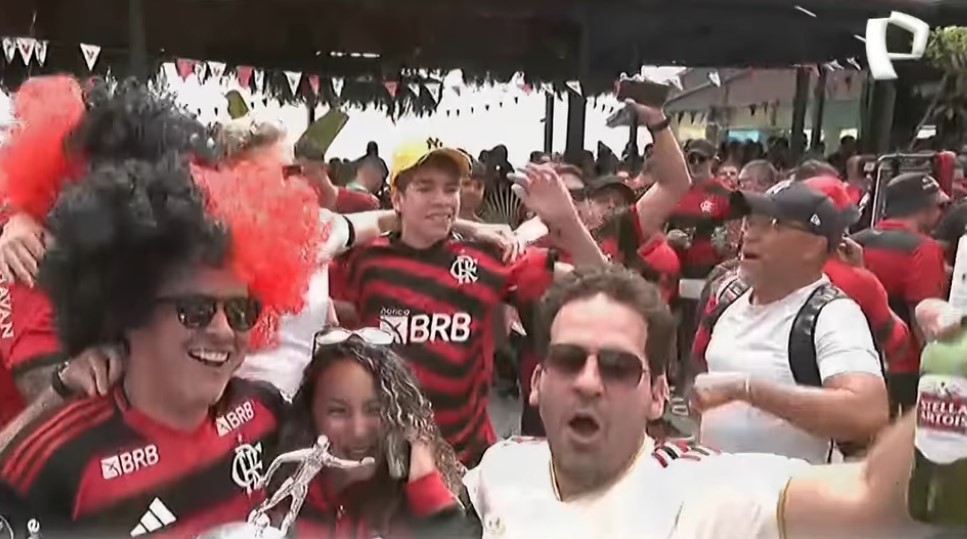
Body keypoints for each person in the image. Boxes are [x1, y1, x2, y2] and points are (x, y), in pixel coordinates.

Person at [0, 82, 325, 536]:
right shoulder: (27, 257)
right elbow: (36, 443)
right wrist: (63, 384)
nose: (150, 197)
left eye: (240, 311)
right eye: (194, 309)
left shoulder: (262, 412)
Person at [464, 265, 946, 539]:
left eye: (617, 368)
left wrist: (952, 374)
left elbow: (872, 494)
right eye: (569, 361)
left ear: (657, 396)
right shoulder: (503, 466)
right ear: (537, 382)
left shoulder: (706, 490)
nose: (588, 383)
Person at [330, 138, 607, 466]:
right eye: (425, 188)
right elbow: (313, 256)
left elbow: (603, 280)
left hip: (466, 465)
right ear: (397, 198)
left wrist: (568, 220)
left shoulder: (489, 258)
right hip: (384, 463)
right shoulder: (365, 258)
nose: (442, 200)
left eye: (451, 189)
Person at [692, 177, 889, 463]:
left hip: (790, 502)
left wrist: (748, 389)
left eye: (772, 224)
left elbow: (867, 412)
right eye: (750, 222)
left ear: (812, 246)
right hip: (718, 496)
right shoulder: (729, 299)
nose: (750, 235)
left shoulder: (832, 314)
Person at [278, 327, 473, 538]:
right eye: (338, 411)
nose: (359, 430)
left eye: (375, 410)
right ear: (310, 414)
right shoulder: (284, 497)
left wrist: (424, 479)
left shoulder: (412, 498)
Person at [852, 172, 950, 412]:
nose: (942, 214)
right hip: (904, 371)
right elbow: (924, 321)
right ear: (925, 209)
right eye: (940, 206)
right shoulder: (924, 249)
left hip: (858, 363)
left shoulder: (857, 241)